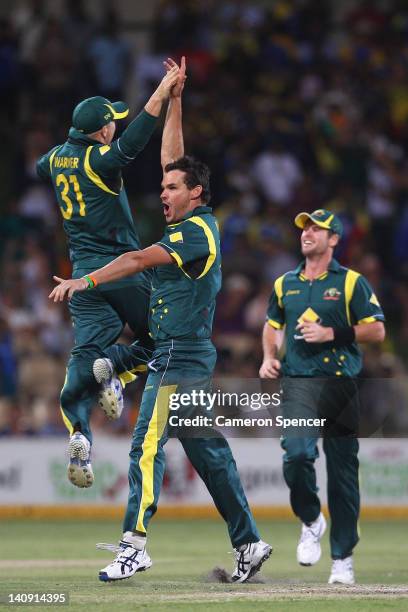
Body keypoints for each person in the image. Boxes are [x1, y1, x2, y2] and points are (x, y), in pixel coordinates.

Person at [49, 73, 272, 583]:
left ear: (196, 194)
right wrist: (174, 101)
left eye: (172, 187)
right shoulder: (190, 221)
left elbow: (135, 258)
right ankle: (250, 542)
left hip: (177, 358)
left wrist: (86, 281)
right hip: (182, 354)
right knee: (209, 453)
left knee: (144, 446)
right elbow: (173, 155)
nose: (162, 191)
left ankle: (134, 544)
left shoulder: (194, 233)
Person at [37, 62, 182, 488]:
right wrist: (163, 91)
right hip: (121, 270)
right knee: (162, 341)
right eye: (112, 123)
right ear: (100, 132)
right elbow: (134, 142)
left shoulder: (57, 159)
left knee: (79, 366)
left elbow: (41, 166)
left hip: (81, 278)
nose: (116, 127)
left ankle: (80, 433)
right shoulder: (100, 161)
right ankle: (114, 371)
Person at [260, 209, 385, 585]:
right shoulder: (285, 283)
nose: (308, 233)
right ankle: (312, 519)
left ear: (334, 239)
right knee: (297, 456)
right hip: (298, 384)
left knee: (343, 475)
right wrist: (268, 356)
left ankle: (342, 557)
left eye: (317, 228)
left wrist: (331, 334)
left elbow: (376, 330)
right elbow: (272, 324)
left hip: (340, 385)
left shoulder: (351, 283)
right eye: (304, 228)